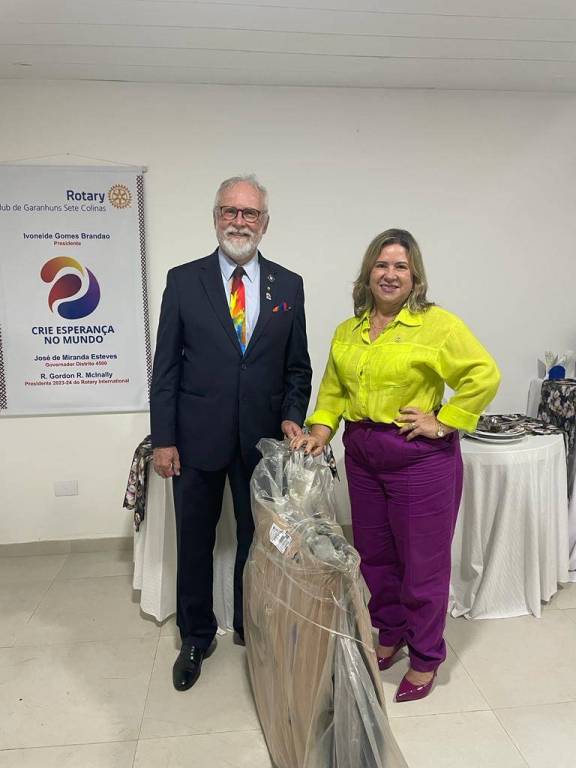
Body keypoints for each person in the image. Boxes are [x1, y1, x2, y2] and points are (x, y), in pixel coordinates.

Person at [292, 228, 500, 702]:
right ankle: (391, 631)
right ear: (368, 272)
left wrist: (444, 422)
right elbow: (333, 392)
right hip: (363, 455)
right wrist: (321, 431)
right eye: (382, 265)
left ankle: (426, 657)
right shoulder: (349, 331)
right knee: (375, 556)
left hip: (418, 459)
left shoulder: (437, 325)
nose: (390, 274)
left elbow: (484, 374)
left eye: (400, 266)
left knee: (422, 565)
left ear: (415, 277)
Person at [150, 175, 312, 691]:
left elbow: (297, 368)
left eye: (250, 213)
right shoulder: (183, 281)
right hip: (195, 439)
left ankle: (250, 624)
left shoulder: (289, 285)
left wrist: (292, 414)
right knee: (194, 542)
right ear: (216, 217)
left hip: (262, 442)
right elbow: (165, 369)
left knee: (256, 540)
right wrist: (164, 439)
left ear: (265, 223)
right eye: (230, 211)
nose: (239, 222)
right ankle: (196, 636)